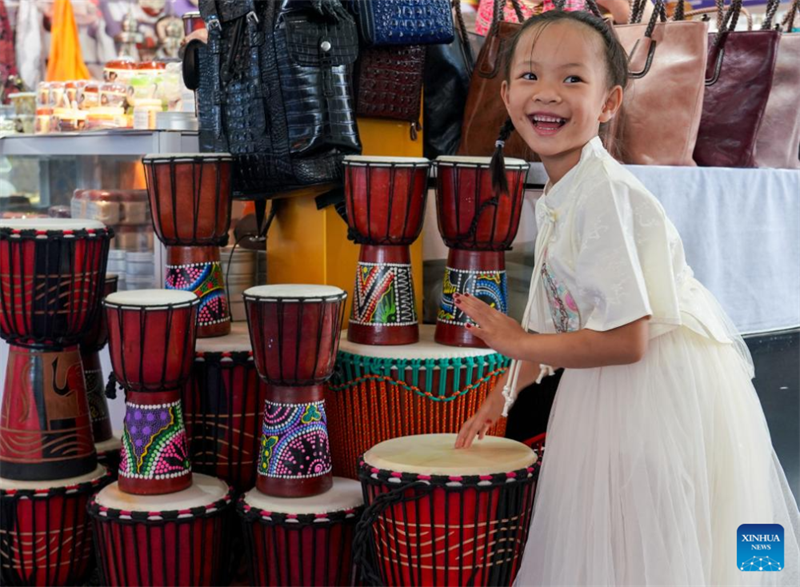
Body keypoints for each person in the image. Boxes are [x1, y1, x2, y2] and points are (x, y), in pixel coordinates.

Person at [454, 9, 800, 586]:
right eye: (531, 76)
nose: (548, 94)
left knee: (649, 533)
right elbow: (555, 307)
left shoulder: (604, 196)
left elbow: (630, 340)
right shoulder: (571, 185)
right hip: (623, 379)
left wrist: (518, 340)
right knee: (634, 536)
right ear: (507, 91)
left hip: (655, 383)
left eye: (572, 79)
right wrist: (504, 392)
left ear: (609, 103)